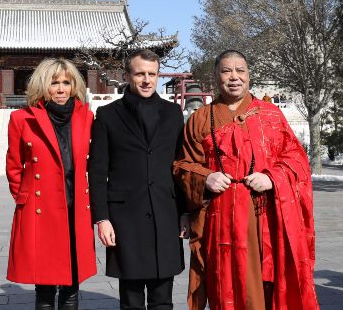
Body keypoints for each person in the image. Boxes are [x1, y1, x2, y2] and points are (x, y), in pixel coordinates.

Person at [173, 50, 318, 310]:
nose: (234, 77)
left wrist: (272, 177)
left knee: (266, 284)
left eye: (240, 70)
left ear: (249, 76)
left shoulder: (271, 115)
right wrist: (206, 177)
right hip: (219, 218)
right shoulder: (200, 118)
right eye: (227, 71)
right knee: (222, 284)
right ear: (216, 76)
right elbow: (183, 165)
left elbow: (297, 160)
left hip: (263, 216)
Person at [89, 49, 185, 310]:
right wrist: (102, 217)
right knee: (130, 299)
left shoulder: (173, 113)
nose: (146, 80)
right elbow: (97, 171)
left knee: (163, 299)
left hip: (166, 213)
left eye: (152, 74)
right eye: (140, 73)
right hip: (125, 217)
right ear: (127, 76)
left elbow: (182, 166)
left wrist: (186, 212)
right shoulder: (108, 115)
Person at [6, 58, 97, 310]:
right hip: (41, 210)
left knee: (72, 285)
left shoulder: (86, 118)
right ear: (42, 86)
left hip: (75, 209)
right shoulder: (22, 119)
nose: (60, 89)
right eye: (54, 83)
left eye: (66, 82)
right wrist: (27, 198)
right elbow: (14, 167)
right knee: (44, 287)